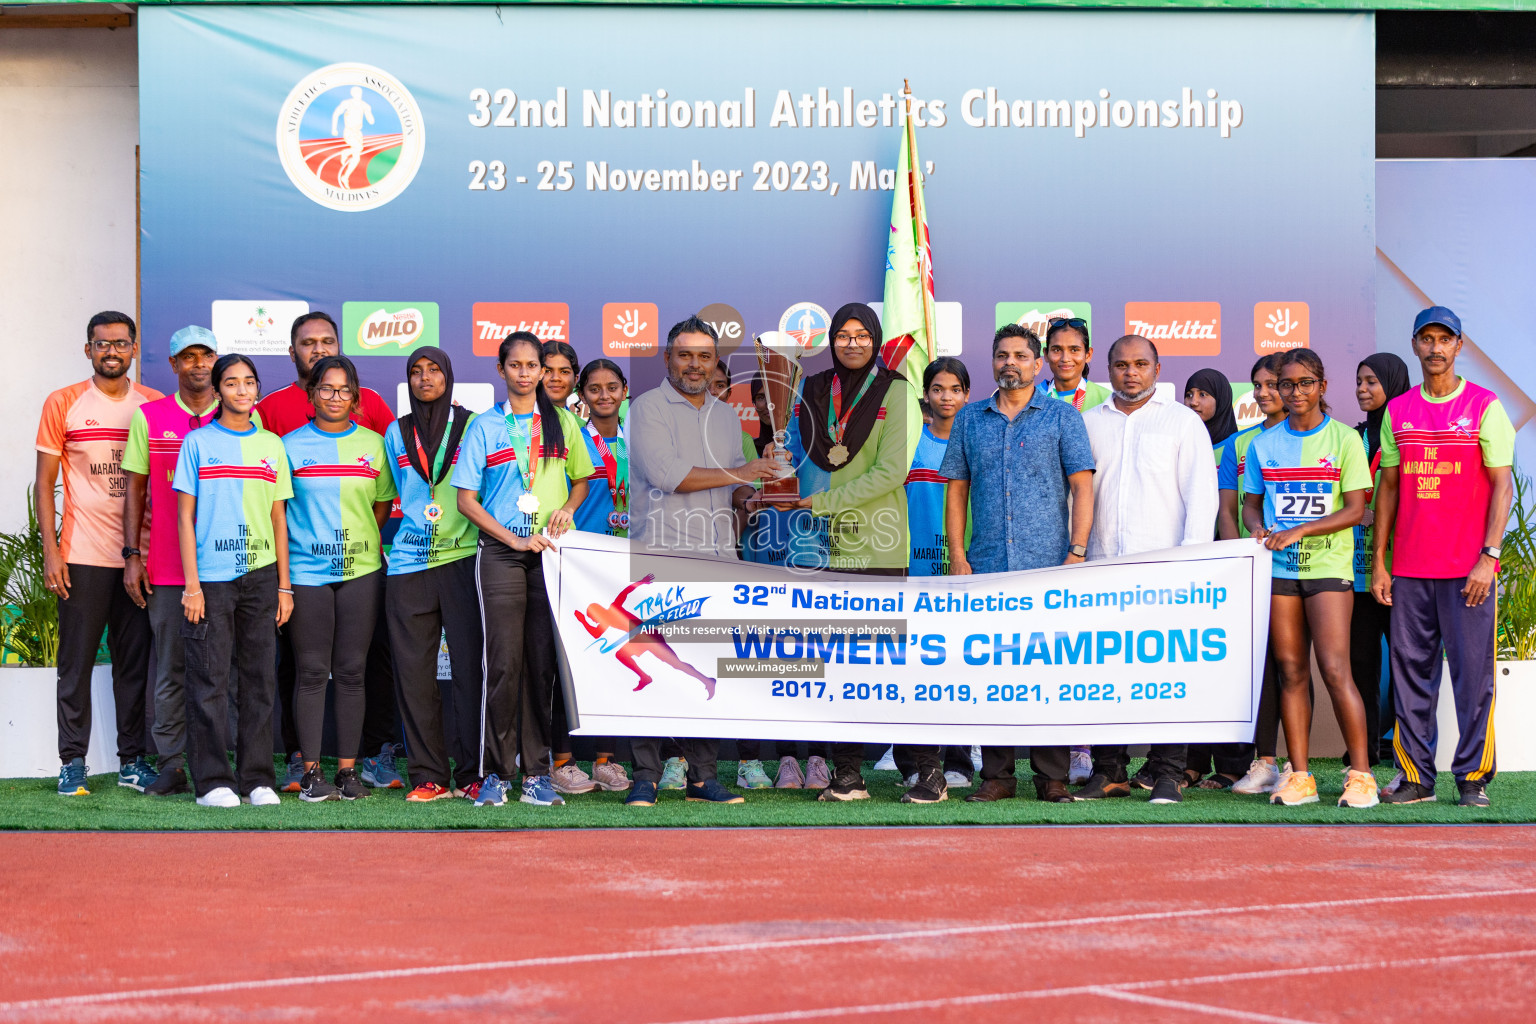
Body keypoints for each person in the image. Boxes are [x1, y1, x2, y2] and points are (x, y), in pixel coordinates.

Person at [626, 316, 782, 806]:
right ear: (667, 358)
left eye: (704, 356)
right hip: (659, 554)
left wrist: (756, 488)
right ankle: (646, 777)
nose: (695, 365)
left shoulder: (725, 414)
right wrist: (741, 471)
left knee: (707, 668)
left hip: (716, 557)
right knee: (651, 668)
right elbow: (668, 475)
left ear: (716, 362)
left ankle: (702, 777)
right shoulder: (646, 408)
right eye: (684, 355)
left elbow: (732, 484)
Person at [941, 324, 1095, 805]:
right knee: (992, 670)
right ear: (992, 362)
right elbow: (956, 491)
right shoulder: (970, 420)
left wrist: (1077, 552)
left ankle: (1052, 778)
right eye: (1002, 355)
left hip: (1049, 566)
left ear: (1037, 363)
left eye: (1021, 355)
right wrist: (959, 556)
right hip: (986, 565)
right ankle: (997, 776)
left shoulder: (1062, 418)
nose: (1011, 362)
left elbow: (1083, 486)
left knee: (1049, 669)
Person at [780, 303, 927, 802]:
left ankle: (926, 770)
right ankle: (848, 775)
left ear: (875, 339)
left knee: (887, 663)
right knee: (837, 664)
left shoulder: (899, 391)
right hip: (822, 545)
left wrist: (821, 502)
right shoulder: (814, 388)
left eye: (862, 334)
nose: (852, 343)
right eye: (842, 334)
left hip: (877, 542)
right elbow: (803, 460)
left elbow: (891, 473)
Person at [1372, 307, 1515, 808]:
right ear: (1414, 345)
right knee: (1411, 675)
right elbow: (1387, 488)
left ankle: (1472, 778)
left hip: (1468, 571)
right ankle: (1416, 779)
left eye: (1444, 339)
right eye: (1426, 339)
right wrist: (1379, 561)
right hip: (1410, 569)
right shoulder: (1398, 411)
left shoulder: (1484, 406)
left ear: (1459, 346)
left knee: (1473, 677)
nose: (1435, 348)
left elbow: (1503, 486)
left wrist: (1488, 557)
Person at [255, 311, 402, 793]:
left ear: (355, 398)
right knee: (313, 671)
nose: (335, 398)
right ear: (311, 394)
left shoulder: (375, 445)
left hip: (362, 572)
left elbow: (381, 505)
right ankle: (312, 771)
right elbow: (277, 512)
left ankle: (347, 770)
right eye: (326, 389)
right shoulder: (287, 446)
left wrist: (358, 543)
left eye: (344, 391)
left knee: (355, 673)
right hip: (307, 575)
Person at [1071, 336, 1218, 806]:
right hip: (1099, 569)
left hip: (1165, 572)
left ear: (1158, 367)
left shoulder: (1182, 422)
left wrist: (1191, 563)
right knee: (1103, 674)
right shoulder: (1086, 423)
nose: (1130, 372)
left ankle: (1168, 772)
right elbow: (1073, 496)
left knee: (1167, 673)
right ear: (1106, 369)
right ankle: (1109, 770)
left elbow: (1201, 497)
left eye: (1140, 364)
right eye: (1120, 364)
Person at [454, 331, 592, 808]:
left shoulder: (562, 423)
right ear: (502, 370)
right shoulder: (484, 426)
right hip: (501, 553)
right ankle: (495, 772)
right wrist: (511, 538)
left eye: (534, 366)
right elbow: (465, 500)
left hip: (549, 555)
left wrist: (569, 510)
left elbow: (583, 479)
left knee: (540, 667)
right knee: (504, 665)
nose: (527, 373)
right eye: (516, 365)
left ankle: (536, 774)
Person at [1243, 348, 1378, 809]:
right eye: (1286, 384)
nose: (1295, 392)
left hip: (1328, 569)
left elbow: (1357, 509)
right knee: (1291, 672)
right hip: (1279, 570)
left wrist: (1299, 530)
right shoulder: (1263, 444)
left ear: (1322, 385)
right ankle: (1300, 776)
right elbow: (1251, 504)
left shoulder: (1345, 439)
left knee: (1336, 670)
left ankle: (1361, 776)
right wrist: (1257, 528)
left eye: (1304, 383)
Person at [36, 310, 162, 797]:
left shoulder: (151, 406)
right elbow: (45, 485)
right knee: (77, 664)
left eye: (120, 343)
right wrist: (52, 551)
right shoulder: (63, 402)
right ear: (88, 349)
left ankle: (132, 760)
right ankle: (73, 762)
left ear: (134, 348)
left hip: (139, 559)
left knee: (133, 665)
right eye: (101, 344)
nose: (111, 351)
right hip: (82, 556)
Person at [174, 354, 293, 808]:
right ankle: (211, 782)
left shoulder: (272, 445)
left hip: (261, 578)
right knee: (210, 679)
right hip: (211, 580)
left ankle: (257, 778)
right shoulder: (198, 443)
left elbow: (278, 520)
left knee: (260, 679)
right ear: (218, 390)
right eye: (231, 382)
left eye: (248, 382)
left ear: (257, 389)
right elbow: (184, 517)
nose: (241, 390)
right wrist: (192, 585)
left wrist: (284, 586)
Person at [383, 346, 485, 803]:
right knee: (414, 676)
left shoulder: (473, 426)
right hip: (408, 565)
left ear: (449, 376)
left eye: (434, 370)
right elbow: (390, 497)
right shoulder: (395, 431)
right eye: (416, 372)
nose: (425, 378)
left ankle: (471, 774)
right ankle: (428, 775)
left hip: (463, 559)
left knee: (470, 673)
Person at [121, 325, 220, 797]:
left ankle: (219, 761)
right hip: (165, 567)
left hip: (226, 567)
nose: (198, 364)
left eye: (206, 355)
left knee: (225, 671)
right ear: (174, 364)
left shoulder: (244, 416)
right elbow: (135, 492)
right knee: (171, 671)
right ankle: (171, 762)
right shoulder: (149, 416)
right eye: (189, 357)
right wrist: (132, 556)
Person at [550, 357, 632, 795]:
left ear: (624, 390)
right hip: (581, 562)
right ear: (582, 394)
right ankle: (563, 761)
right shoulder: (571, 438)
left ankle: (607, 759)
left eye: (612, 387)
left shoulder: (640, 440)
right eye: (594, 388)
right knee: (571, 663)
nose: (603, 395)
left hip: (627, 562)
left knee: (616, 661)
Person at [895, 356, 976, 789]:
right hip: (915, 566)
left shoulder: (977, 439)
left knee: (960, 662)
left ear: (967, 393)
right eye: (938, 389)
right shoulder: (910, 441)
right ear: (925, 394)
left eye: (955, 389)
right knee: (915, 664)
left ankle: (961, 759)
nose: (946, 397)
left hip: (964, 567)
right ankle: (912, 760)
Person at [1215, 354, 1294, 796]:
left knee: (1294, 666)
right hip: (1252, 570)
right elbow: (1229, 509)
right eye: (1257, 385)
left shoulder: (1320, 437)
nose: (1264, 393)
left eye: (1273, 384)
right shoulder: (1239, 444)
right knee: (1259, 668)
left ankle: (1299, 765)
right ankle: (1263, 761)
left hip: (1310, 569)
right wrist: (1237, 558)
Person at [1351, 352, 1412, 771]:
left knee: (1408, 665)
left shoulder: (1411, 437)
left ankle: (1409, 753)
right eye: (1359, 381)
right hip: (1354, 571)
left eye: (1372, 381)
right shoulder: (1351, 438)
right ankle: (1364, 752)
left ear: (1393, 382)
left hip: (1404, 568)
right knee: (1360, 666)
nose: (1363, 389)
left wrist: (1384, 514)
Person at [1182, 366, 1240, 790]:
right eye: (1189, 394)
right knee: (1194, 667)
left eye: (1203, 394)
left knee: (1231, 668)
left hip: (1231, 570)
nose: (1194, 402)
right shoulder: (1183, 440)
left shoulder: (1238, 447)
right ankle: (1191, 761)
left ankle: (1234, 764)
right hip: (1193, 571)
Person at [1041, 316, 1111, 413]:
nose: (1065, 358)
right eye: (1057, 350)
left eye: (1074, 350)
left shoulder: (1107, 400)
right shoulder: (1031, 398)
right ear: (1046, 354)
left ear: (1088, 354)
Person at [542, 339, 580, 411]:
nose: (555, 378)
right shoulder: (517, 420)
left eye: (564, 372)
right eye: (547, 371)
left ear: (575, 380)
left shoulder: (578, 422)